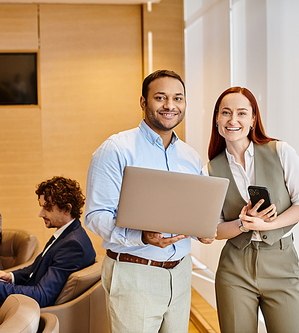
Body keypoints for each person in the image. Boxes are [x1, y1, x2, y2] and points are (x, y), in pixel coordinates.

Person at [84, 69, 214, 333]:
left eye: (178, 98)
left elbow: (194, 210)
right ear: (144, 102)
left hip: (179, 272)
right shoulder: (116, 149)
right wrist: (141, 236)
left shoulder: (191, 157)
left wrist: (203, 229)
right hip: (135, 272)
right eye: (160, 97)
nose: (170, 105)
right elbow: (95, 216)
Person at [202, 87, 299, 333]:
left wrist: (268, 225)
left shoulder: (280, 151)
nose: (233, 120)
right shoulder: (209, 170)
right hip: (235, 269)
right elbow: (212, 231)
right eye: (226, 113)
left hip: (282, 263)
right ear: (217, 119)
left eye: (242, 113)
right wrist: (243, 223)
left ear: (253, 119)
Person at [0, 176, 96, 308]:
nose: (41, 214)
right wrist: (10, 276)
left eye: (47, 208)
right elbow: (36, 268)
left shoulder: (73, 245)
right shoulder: (67, 234)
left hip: (29, 310)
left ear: (67, 209)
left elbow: (42, 296)